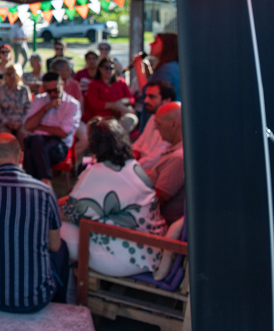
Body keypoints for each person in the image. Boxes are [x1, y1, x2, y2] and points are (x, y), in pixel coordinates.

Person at [0, 134, 68, 312]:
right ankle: (61, 306)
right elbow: (54, 246)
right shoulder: (44, 191)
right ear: (21, 157)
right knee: (63, 247)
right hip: (37, 297)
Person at [60, 118, 167, 277]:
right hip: (151, 251)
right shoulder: (133, 166)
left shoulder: (97, 173)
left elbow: (70, 213)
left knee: (52, 227)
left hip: (124, 257)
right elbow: (78, 201)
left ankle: (63, 288)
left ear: (93, 144)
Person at [22, 72, 80, 182]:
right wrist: (45, 108)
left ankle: (35, 183)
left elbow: (63, 133)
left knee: (31, 150)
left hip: (59, 145)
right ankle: (45, 182)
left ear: (62, 84)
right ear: (44, 88)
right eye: (49, 91)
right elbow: (28, 126)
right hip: (39, 142)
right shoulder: (39, 100)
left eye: (56, 90)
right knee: (35, 141)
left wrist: (39, 127)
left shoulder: (72, 104)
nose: (53, 94)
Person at [144, 103, 185, 225]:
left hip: (162, 224)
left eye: (158, 123)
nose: (155, 128)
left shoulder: (178, 158)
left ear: (174, 125)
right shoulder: (174, 148)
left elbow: (156, 200)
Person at [132, 81, 176, 169]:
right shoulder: (154, 116)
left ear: (167, 100)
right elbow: (138, 144)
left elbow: (155, 160)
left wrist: (131, 167)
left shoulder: (171, 123)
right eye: (146, 96)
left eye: (151, 97)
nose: (145, 100)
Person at [84, 58, 135, 124]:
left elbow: (131, 98)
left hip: (121, 114)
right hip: (102, 117)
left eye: (111, 68)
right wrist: (114, 105)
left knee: (132, 118)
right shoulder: (93, 84)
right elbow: (95, 103)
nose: (109, 70)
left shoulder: (121, 82)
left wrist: (121, 102)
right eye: (106, 68)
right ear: (100, 69)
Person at [133, 33, 180, 101]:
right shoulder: (171, 66)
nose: (150, 44)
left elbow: (147, 93)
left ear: (166, 46)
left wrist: (138, 68)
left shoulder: (166, 70)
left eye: (155, 42)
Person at [0, 65, 31, 138]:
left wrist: (20, 122)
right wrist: (7, 121)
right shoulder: (0, 90)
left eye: (14, 74)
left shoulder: (24, 90)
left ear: (18, 75)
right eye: (9, 74)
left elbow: (29, 108)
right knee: (5, 137)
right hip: (5, 122)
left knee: (23, 135)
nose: (11, 76)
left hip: (21, 122)